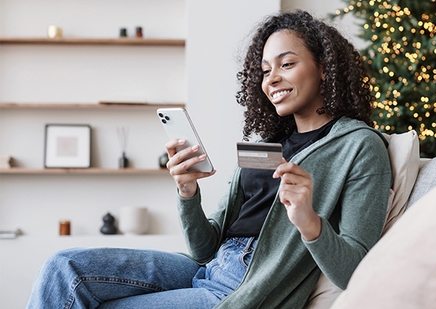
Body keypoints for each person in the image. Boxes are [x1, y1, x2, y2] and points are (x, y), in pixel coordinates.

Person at [27, 10, 392, 309]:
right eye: (265, 70)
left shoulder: (359, 146)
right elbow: (203, 248)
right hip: (210, 266)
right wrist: (187, 192)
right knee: (63, 269)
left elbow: (354, 272)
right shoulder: (266, 144)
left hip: (245, 285)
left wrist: (309, 221)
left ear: (325, 68)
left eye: (287, 64)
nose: (272, 79)